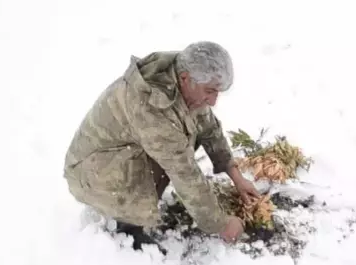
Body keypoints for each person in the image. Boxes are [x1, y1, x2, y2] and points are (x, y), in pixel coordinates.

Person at [63, 41, 260, 249]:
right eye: (210, 91)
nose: (212, 101)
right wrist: (220, 224)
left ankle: (135, 203)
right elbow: (184, 172)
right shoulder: (151, 105)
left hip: (117, 155)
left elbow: (209, 128)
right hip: (93, 172)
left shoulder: (185, 80)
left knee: (181, 140)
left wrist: (236, 176)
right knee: (173, 150)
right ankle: (127, 226)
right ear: (186, 79)